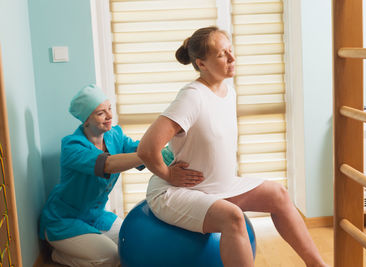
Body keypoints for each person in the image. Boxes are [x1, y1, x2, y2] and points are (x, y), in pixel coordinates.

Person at [137, 26, 328, 267]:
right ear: (202, 64)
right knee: (233, 218)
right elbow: (146, 148)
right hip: (176, 193)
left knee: (278, 194)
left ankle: (317, 265)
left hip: (216, 187)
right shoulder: (192, 96)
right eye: (221, 54)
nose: (232, 58)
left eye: (230, 50)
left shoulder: (228, 92)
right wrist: (167, 174)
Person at [38, 84, 173, 267]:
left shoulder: (114, 135)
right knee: (111, 257)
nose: (109, 116)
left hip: (96, 215)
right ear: (86, 120)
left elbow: (139, 150)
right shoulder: (72, 147)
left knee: (134, 243)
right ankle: (57, 255)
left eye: (109, 108)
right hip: (64, 220)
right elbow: (108, 164)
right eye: (101, 113)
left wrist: (169, 152)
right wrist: (148, 155)